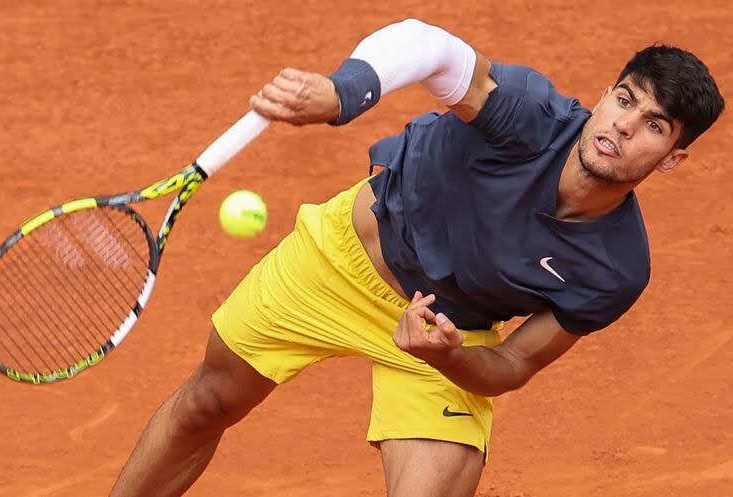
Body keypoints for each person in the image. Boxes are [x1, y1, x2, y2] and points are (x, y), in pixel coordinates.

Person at [109, 18, 724, 497]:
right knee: (206, 403)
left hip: (445, 331)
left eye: (654, 126)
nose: (622, 126)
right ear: (604, 95)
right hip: (340, 260)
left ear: (672, 157)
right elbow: (427, 47)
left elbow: (512, 363)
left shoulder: (615, 270)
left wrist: (452, 357)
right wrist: (342, 91)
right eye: (624, 100)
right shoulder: (529, 117)